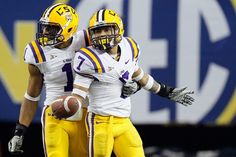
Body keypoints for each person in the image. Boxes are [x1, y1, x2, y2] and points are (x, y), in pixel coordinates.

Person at [8, 3, 139, 157]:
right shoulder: (36, 52)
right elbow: (32, 94)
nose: (45, 32)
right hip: (55, 113)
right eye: (45, 27)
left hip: (84, 112)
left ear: (69, 29)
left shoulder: (87, 39)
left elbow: (117, 63)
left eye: (52, 28)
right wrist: (20, 130)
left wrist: (134, 83)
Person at [70, 9, 194, 157]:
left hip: (123, 120)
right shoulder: (88, 59)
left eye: (106, 29)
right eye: (97, 31)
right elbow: (78, 94)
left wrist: (164, 91)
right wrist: (68, 106)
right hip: (100, 122)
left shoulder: (129, 47)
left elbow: (138, 74)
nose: (102, 34)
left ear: (118, 29)